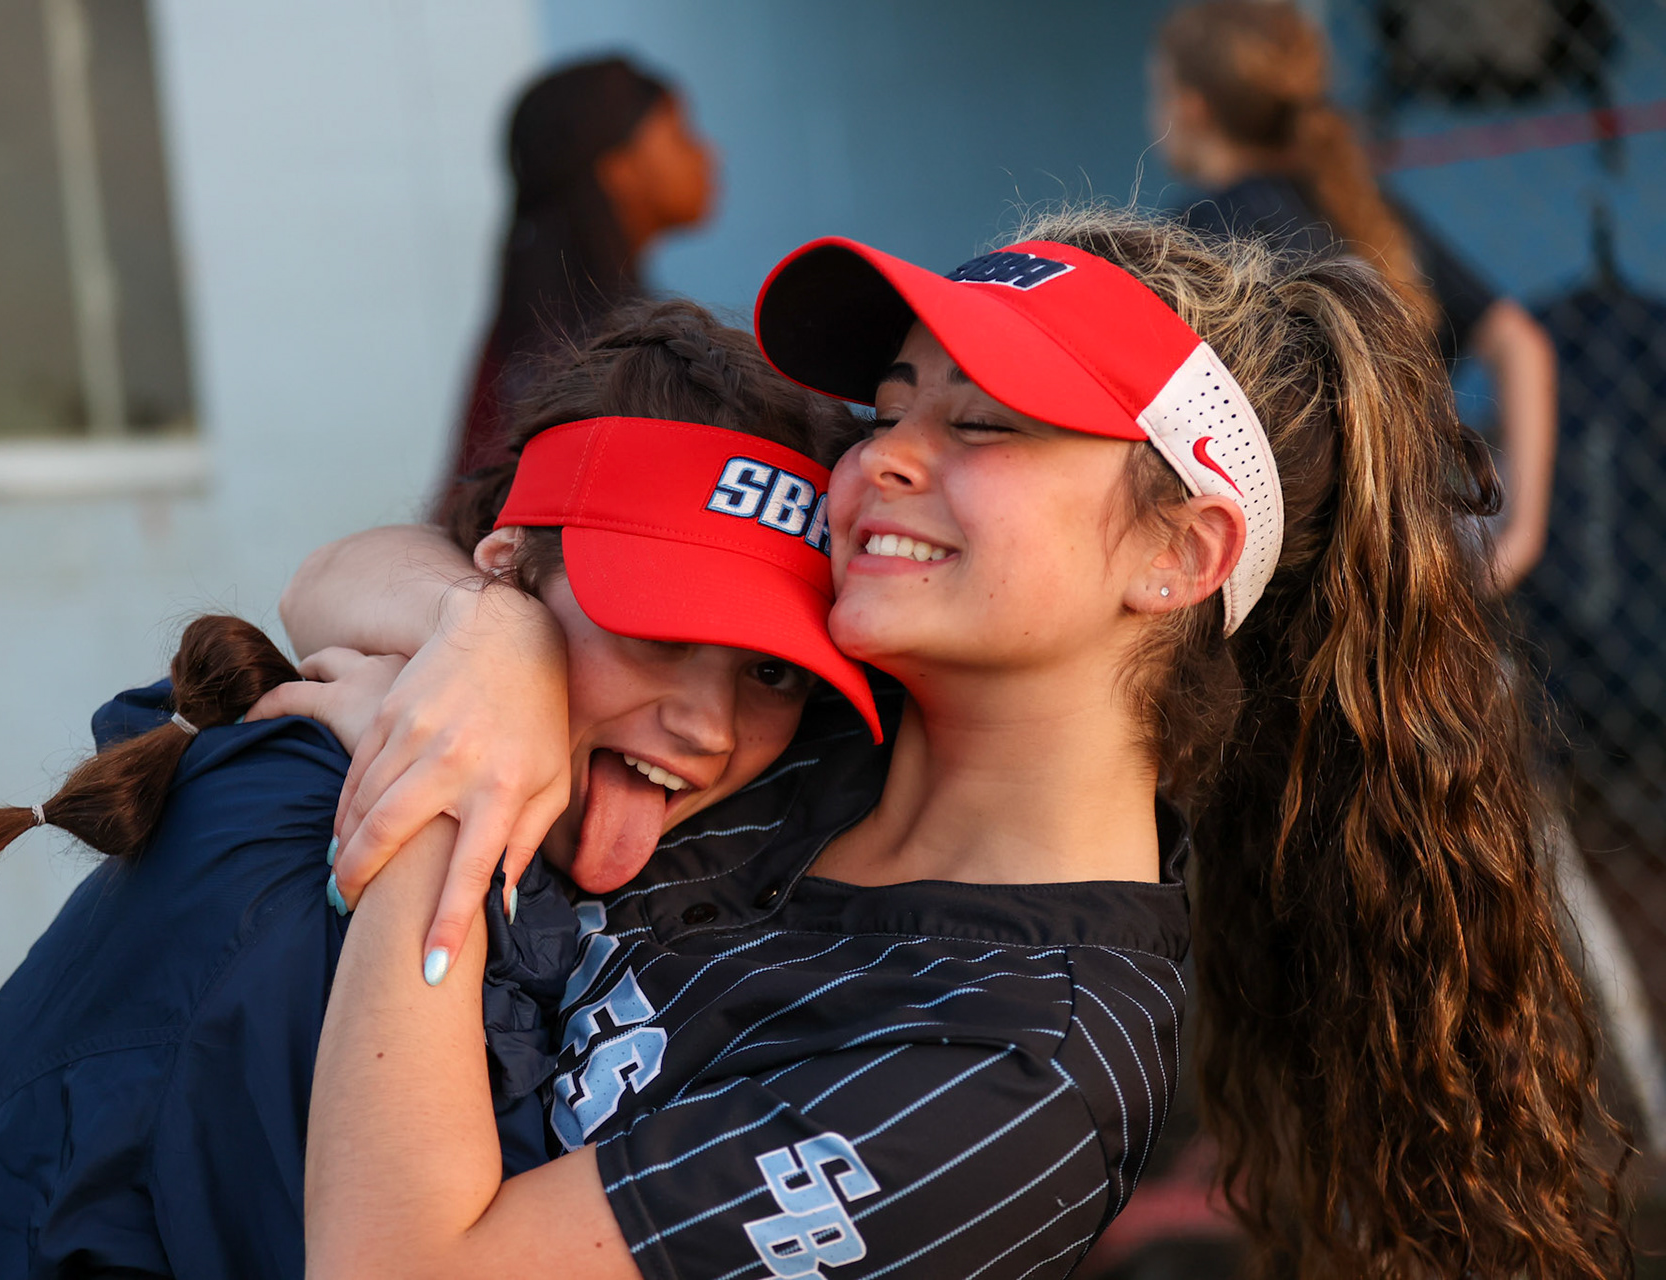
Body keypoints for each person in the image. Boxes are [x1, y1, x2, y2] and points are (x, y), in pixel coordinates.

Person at [281, 208, 1626, 1279]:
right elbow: (338, 577)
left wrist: (435, 802)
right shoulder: (795, 702)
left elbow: (394, 1265)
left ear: (1178, 551)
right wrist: (490, 639)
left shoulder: (1015, 1071)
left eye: (981, 424)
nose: (880, 461)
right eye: (889, 406)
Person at [0, 301, 874, 1280]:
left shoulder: (624, 822)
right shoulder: (298, 885)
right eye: (658, 627)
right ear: (508, 568)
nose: (710, 723)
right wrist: (479, 638)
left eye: (774, 669)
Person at [1150, 0, 1559, 591]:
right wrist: (1520, 536)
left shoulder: (1191, 238)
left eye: (1158, 92)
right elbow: (1523, 344)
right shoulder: (1364, 210)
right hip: (1418, 554)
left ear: (1190, 108)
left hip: (1295, 574)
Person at [454, 56, 717, 479]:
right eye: (681, 135)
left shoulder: (528, 330)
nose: (709, 153)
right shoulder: (593, 355)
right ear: (618, 168)